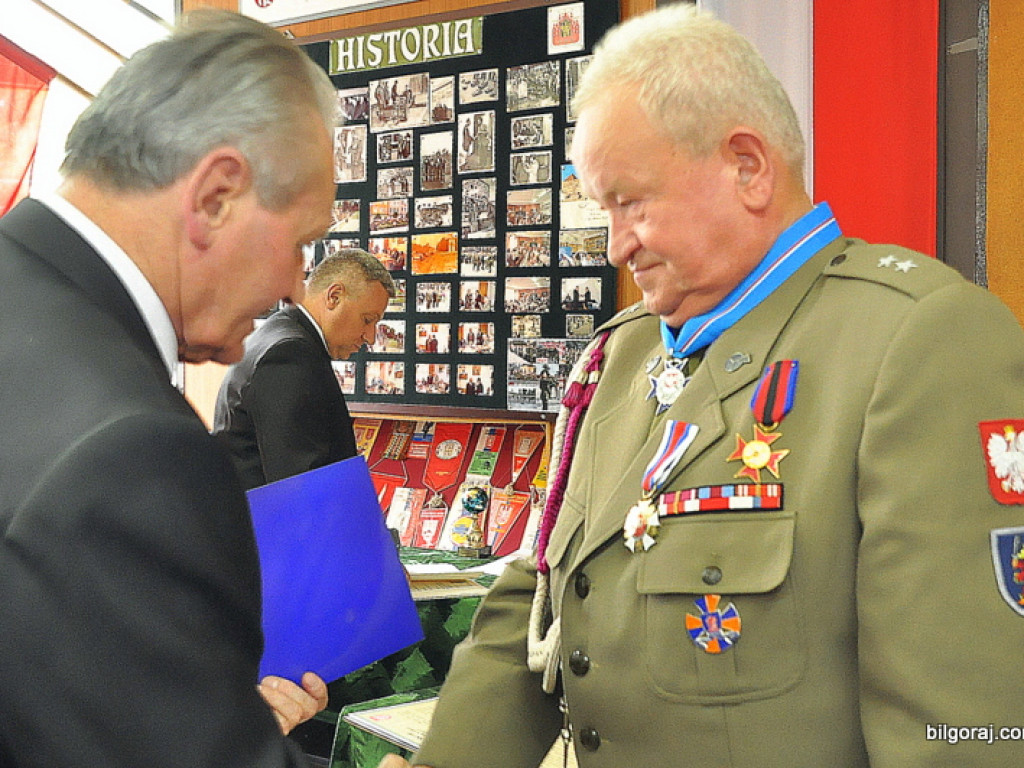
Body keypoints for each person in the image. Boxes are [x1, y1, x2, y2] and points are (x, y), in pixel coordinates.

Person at [380, 6, 1024, 768]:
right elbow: (542, 600)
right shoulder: (619, 357)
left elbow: (961, 732)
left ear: (747, 168)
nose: (617, 244)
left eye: (630, 202)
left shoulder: (918, 343)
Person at [0, 10, 339, 767]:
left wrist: (186, 692)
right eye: (301, 243)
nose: (294, 284)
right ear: (216, 195)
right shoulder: (134, 452)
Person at [213, 250, 394, 490]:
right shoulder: (289, 355)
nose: (370, 337)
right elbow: (299, 488)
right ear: (334, 296)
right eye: (367, 319)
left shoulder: (280, 337)